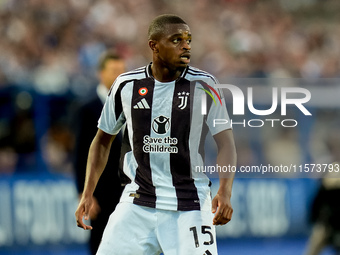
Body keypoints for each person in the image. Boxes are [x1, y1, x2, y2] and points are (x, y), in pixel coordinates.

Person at [75, 14, 237, 255]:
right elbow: (101, 141)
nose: (186, 46)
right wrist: (88, 192)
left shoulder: (205, 85)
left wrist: (224, 191)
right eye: (176, 40)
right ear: (154, 45)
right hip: (138, 202)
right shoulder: (126, 85)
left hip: (189, 204)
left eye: (188, 40)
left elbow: (226, 144)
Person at [72, 51, 125, 255]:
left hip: (129, 188)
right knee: (101, 240)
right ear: (101, 74)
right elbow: (80, 154)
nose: (118, 76)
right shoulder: (87, 109)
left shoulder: (132, 105)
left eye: (122, 71)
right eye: (114, 71)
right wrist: (84, 193)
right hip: (101, 190)